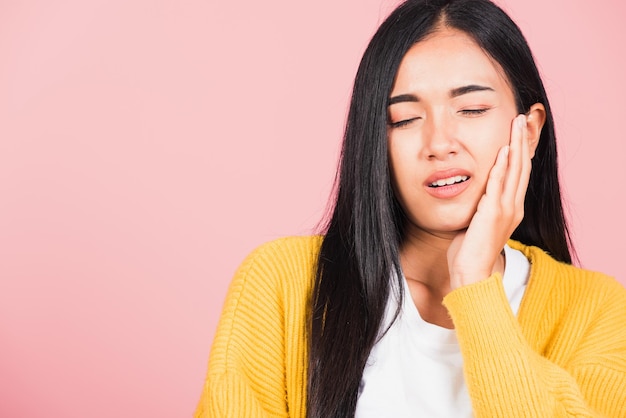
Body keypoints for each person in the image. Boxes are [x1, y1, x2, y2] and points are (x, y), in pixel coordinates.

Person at [194, 0, 626, 416]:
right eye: (403, 119)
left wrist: (474, 284)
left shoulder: (597, 310)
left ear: (528, 131)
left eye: (471, 109)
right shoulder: (282, 282)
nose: (439, 144)